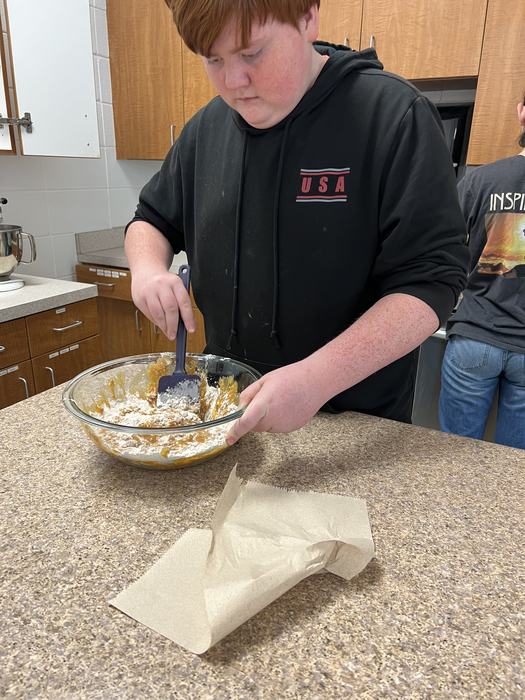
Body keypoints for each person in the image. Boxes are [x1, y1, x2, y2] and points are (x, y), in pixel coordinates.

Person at [125, 0, 469, 445]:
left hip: (355, 428)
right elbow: (149, 220)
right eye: (213, 59)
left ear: (308, 17)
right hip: (227, 416)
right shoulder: (205, 129)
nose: (233, 81)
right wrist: (147, 270)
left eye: (252, 53)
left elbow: (432, 282)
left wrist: (315, 379)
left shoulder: (392, 116)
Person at [439, 98, 525, 449]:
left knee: (455, 456)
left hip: (475, 336)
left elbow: (442, 249)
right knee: (512, 469)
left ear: (521, 111)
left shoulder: (482, 180)